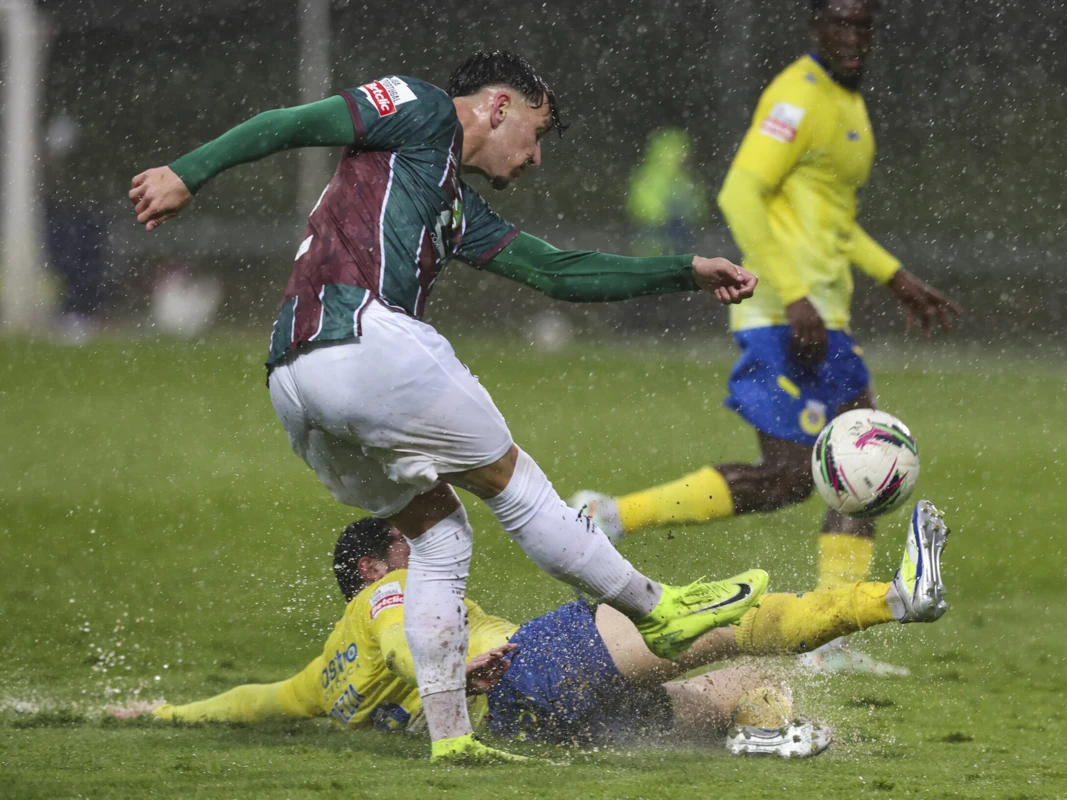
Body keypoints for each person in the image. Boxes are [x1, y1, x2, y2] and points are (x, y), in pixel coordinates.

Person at [128, 51, 769, 764]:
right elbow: (292, 122)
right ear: (499, 106)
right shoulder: (421, 107)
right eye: (537, 133)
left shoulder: (453, 206)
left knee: (438, 537)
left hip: (292, 380)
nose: (535, 158)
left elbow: (558, 272)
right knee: (517, 488)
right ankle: (659, 611)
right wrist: (186, 172)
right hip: (361, 337)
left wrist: (685, 272)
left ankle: (451, 736)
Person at [571, 0, 962, 676]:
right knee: (788, 477)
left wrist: (894, 277)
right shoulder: (795, 96)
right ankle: (609, 517)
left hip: (825, 318)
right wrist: (794, 293)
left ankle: (831, 638)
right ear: (815, 27)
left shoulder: (850, 106)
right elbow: (740, 193)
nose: (852, 36)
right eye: (839, 22)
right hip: (784, 315)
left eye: (862, 23)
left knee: (863, 468)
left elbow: (834, 222)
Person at [111, 501, 950, 759]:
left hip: (533, 724)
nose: (423, 545)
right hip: (530, 667)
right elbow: (406, 638)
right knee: (721, 623)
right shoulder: (388, 595)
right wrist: (458, 667)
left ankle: (748, 741)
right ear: (373, 565)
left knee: (739, 693)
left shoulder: (322, 675)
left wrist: (164, 714)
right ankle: (895, 599)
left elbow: (255, 701)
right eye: (405, 540)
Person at [626, 127, 708, 256]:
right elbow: (641, 204)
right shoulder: (652, 176)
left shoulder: (684, 178)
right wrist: (665, 215)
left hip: (679, 231)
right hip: (657, 230)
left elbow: (698, 205)